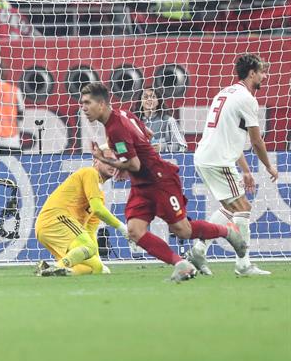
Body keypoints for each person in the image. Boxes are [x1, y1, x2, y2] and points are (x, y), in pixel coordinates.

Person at [81, 82, 246, 282]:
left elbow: (134, 164)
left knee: (183, 230)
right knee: (135, 231)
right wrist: (125, 158)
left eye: (87, 103)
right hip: (142, 185)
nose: (83, 107)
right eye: (82, 103)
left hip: (159, 180)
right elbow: (147, 134)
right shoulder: (123, 115)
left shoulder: (115, 128)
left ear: (101, 104)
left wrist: (106, 159)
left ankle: (228, 231)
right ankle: (181, 264)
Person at [187, 54, 280, 276]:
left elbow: (229, 136)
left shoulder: (225, 93)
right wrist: (268, 166)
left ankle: (199, 250)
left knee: (230, 208)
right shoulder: (247, 99)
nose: (264, 76)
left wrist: (246, 170)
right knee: (243, 208)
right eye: (261, 72)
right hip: (217, 161)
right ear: (252, 73)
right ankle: (243, 264)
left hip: (205, 156)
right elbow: (256, 141)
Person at [35, 147, 129, 276]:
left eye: (115, 161)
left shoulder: (98, 195)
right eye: (108, 160)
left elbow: (90, 231)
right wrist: (123, 228)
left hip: (53, 227)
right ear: (96, 161)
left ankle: (49, 270)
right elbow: (98, 209)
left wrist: (100, 263)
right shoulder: (90, 173)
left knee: (95, 268)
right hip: (56, 219)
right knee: (88, 246)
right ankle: (57, 267)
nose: (112, 165)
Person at [135, 87, 187, 153]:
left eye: (153, 97)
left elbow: (183, 147)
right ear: (141, 101)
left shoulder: (169, 121)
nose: (149, 99)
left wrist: (163, 148)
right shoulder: (134, 123)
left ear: (158, 101)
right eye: (145, 97)